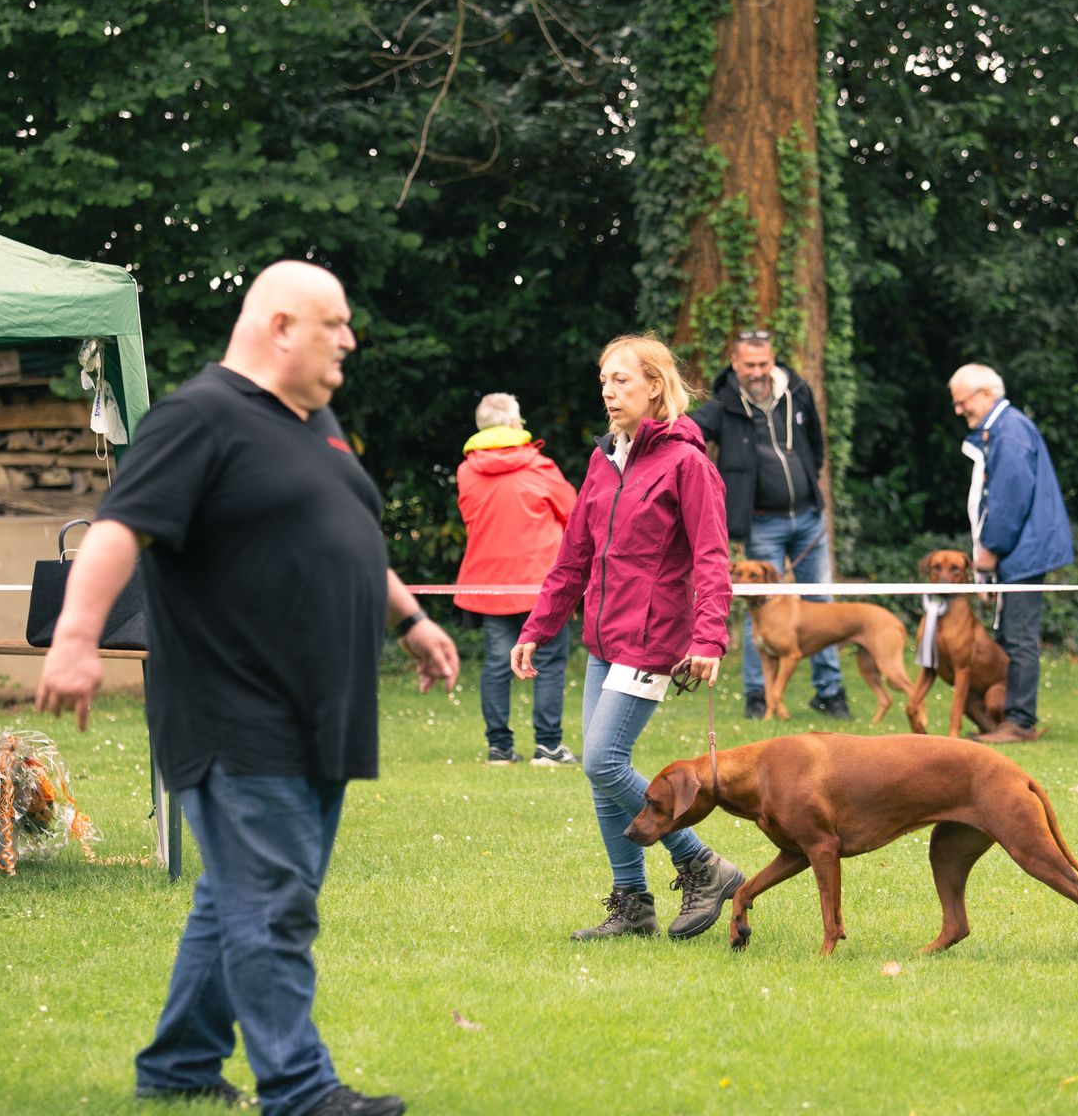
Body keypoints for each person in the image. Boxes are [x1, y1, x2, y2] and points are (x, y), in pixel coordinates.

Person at [36, 262, 459, 1116]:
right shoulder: (198, 417)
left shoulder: (316, 425)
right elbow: (119, 530)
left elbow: (347, 537)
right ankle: (299, 1090)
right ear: (279, 326)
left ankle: (179, 1066)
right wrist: (76, 638)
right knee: (272, 906)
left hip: (324, 713)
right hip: (235, 710)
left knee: (239, 899)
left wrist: (412, 619)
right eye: (335, 324)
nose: (349, 341)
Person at [510, 333, 745, 942]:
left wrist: (709, 638)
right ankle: (633, 904)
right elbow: (573, 558)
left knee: (602, 760)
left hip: (654, 636)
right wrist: (538, 627)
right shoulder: (603, 460)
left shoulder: (688, 464)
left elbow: (712, 559)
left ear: (655, 387)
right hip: (604, 637)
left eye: (622, 380)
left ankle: (703, 864)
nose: (609, 393)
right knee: (599, 773)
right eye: (604, 382)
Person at [690, 329, 847, 719]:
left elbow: (816, 444)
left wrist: (810, 480)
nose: (757, 371)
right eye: (749, 364)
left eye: (763, 363)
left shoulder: (798, 391)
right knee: (758, 606)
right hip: (761, 524)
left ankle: (830, 693)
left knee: (822, 606)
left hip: (809, 518)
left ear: (772, 361)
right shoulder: (723, 404)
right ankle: (757, 696)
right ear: (735, 363)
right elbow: (688, 432)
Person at [948, 363, 1073, 744]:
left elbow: (1008, 499)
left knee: (1018, 638)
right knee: (1007, 635)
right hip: (1022, 548)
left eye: (962, 402)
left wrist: (990, 550)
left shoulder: (1009, 431)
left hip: (1022, 551)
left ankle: (1019, 721)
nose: (959, 410)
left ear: (987, 394)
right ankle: (1000, 717)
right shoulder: (1004, 428)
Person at [454, 392, 578, 766]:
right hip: (542, 584)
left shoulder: (466, 472)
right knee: (550, 660)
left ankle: (499, 748)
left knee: (496, 663)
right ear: (512, 424)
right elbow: (574, 514)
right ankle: (549, 746)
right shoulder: (541, 468)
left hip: (492, 584)